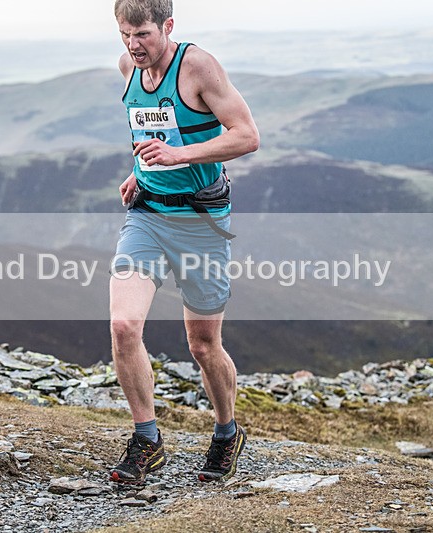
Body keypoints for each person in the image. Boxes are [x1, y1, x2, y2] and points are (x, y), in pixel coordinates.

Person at [109, 0, 260, 485]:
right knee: (124, 326)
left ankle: (225, 432)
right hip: (148, 217)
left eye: (144, 35)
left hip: (201, 222)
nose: (134, 46)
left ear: (167, 27)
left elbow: (247, 136)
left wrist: (179, 156)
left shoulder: (197, 66)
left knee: (202, 344)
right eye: (125, 35)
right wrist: (139, 171)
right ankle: (147, 438)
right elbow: (146, 127)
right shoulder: (127, 67)